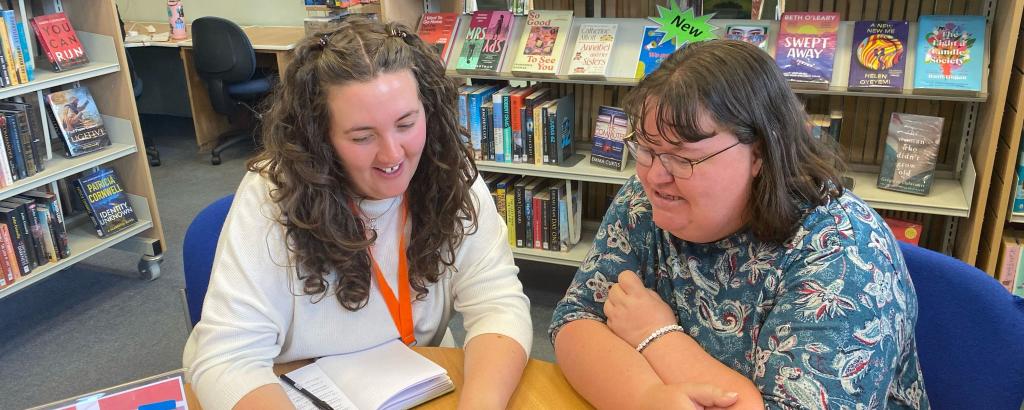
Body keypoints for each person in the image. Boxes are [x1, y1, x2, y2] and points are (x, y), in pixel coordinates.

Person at [550, 40, 929, 409]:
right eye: (646, 149)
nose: (654, 176)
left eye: (684, 159)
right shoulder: (647, 197)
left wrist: (655, 336)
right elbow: (575, 320)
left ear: (759, 154)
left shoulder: (844, 253)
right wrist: (646, 398)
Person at [183, 17, 532, 410]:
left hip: (418, 385)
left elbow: (499, 305)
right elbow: (226, 359)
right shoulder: (270, 195)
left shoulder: (449, 172)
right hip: (294, 391)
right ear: (319, 136)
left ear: (428, 110)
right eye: (362, 137)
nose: (393, 155)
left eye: (406, 123)